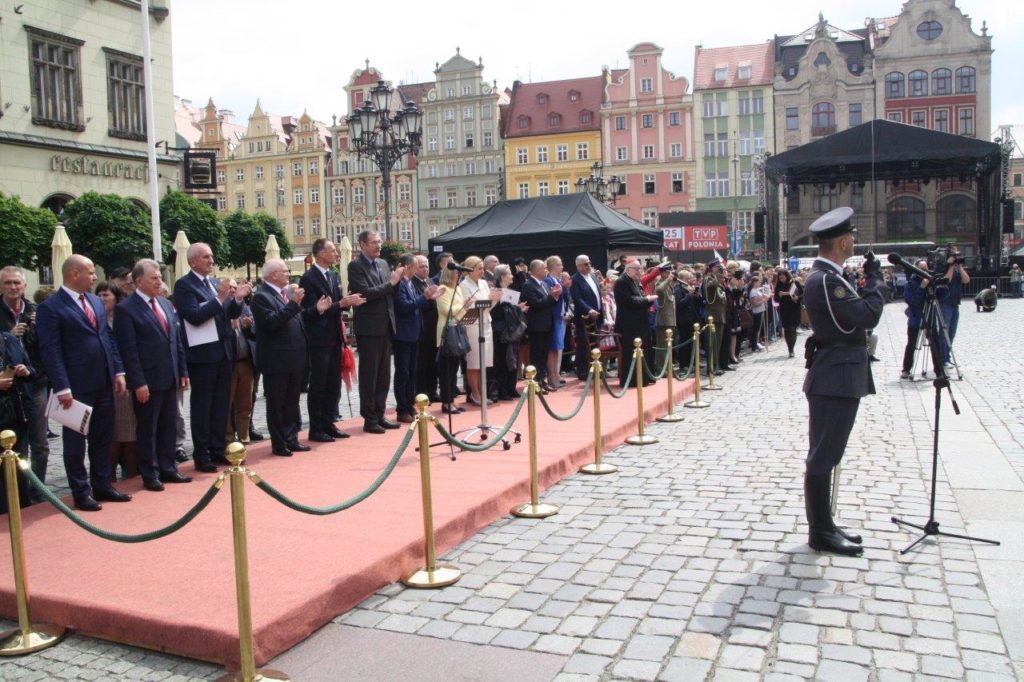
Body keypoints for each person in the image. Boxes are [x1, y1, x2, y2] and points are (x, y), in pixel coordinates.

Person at [802, 207, 885, 556]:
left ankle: (826, 524)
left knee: (828, 452)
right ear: (841, 241)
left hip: (837, 372)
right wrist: (875, 283)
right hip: (835, 375)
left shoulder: (828, 277)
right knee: (824, 455)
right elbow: (866, 316)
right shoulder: (827, 280)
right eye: (850, 235)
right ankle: (820, 531)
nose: (853, 240)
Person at [36, 255, 132, 511]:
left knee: (102, 437)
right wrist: (62, 387)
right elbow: (50, 350)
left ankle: (102, 484)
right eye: (90, 273)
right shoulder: (51, 307)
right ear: (74, 274)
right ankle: (80, 490)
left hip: (104, 381)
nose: (94, 278)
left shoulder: (94, 301)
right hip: (75, 386)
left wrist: (119, 371)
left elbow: (107, 337)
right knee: (75, 442)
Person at [113, 260, 191, 492]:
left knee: (169, 425)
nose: (160, 281)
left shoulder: (166, 304)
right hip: (147, 380)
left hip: (170, 376)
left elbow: (175, 341)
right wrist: (138, 382)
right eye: (154, 278)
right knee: (148, 429)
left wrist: (183, 371)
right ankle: (150, 472)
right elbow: (128, 350)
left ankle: (168, 468)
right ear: (139, 281)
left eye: (160, 277)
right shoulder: (126, 309)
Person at [173, 242, 250, 473]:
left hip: (224, 351)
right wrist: (219, 298)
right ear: (193, 261)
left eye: (212, 257)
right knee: (203, 406)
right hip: (203, 355)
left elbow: (229, 313)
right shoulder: (184, 285)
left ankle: (218, 448)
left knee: (221, 405)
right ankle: (202, 453)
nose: (211, 260)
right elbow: (194, 316)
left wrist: (237, 300)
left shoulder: (214, 284)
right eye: (206, 257)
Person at [253, 259, 329, 456]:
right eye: (285, 272)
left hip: (295, 358)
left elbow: (298, 318)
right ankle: (279, 443)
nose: (288, 274)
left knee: (292, 402)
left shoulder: (283, 295)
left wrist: (316, 310)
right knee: (277, 403)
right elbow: (271, 322)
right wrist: (294, 304)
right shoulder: (262, 297)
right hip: (276, 360)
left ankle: (291, 438)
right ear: (273, 275)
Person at [300, 238, 366, 441]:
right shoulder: (309, 278)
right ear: (320, 253)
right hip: (318, 338)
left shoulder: (332, 274)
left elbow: (336, 304)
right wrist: (341, 304)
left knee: (333, 384)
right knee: (319, 384)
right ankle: (316, 427)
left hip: (334, 336)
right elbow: (311, 312)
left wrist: (348, 302)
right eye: (332, 250)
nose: (336, 253)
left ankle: (329, 422)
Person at [0, 266, 50, 499]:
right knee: (16, 443)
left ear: (24, 286)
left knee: (40, 442)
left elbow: (46, 348)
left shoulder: (34, 311)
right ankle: (16, 492)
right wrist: (9, 335)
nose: (13, 287)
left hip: (35, 381)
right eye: (8, 283)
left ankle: (37, 489)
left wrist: (38, 329)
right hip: (8, 389)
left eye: (17, 283)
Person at [348, 230, 403, 434]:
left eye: (379, 242)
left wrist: (396, 283)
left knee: (383, 374)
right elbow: (365, 293)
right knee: (369, 374)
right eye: (374, 243)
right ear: (362, 244)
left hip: (386, 324)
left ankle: (380, 413)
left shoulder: (383, 264)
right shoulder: (355, 266)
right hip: (369, 327)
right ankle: (369, 417)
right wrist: (391, 283)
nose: (378, 246)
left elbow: (391, 293)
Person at [96, 280, 137, 482]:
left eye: (106, 295)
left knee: (127, 432)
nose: (102, 299)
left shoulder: (123, 316)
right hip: (104, 380)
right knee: (109, 434)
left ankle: (130, 475)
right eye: (100, 295)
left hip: (124, 380)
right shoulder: (95, 318)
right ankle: (108, 476)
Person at [393, 254, 442, 421]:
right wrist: (425, 297)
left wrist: (427, 298)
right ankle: (402, 408)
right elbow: (404, 306)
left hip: (414, 332)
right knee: (403, 372)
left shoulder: (409, 283)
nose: (416, 270)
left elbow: (415, 302)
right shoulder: (400, 284)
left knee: (412, 372)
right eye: (414, 266)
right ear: (406, 267)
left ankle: (409, 404)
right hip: (403, 334)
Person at [0, 327, 35, 514]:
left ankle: (23, 507)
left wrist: (25, 371)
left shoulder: (9, 339)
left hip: (15, 414)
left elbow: (32, 371)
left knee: (20, 465)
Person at [458, 256, 500, 405]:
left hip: (486, 323)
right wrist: (488, 300)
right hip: (473, 326)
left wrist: (494, 299)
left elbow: (487, 307)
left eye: (483, 268)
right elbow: (469, 306)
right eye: (479, 268)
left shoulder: (483, 283)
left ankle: (483, 393)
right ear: (470, 270)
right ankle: (474, 393)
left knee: (485, 361)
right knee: (474, 362)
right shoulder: (464, 285)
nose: (482, 271)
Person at [613, 260, 657, 388]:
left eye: (640, 268)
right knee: (631, 352)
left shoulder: (635, 281)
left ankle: (644, 377)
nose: (639, 271)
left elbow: (641, 296)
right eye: (636, 269)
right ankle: (632, 380)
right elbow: (629, 301)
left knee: (644, 349)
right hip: (628, 324)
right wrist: (647, 299)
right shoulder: (621, 282)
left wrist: (648, 299)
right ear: (628, 269)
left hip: (640, 322)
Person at [521, 260, 562, 393]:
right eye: (544, 268)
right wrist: (552, 296)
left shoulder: (544, 283)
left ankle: (542, 380)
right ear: (537, 270)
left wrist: (554, 297)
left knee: (544, 355)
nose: (546, 270)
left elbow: (548, 303)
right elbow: (536, 304)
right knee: (537, 355)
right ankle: (535, 382)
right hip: (536, 326)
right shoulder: (528, 285)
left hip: (547, 324)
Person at [491, 265, 528, 399]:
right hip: (501, 331)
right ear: (502, 276)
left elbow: (511, 309)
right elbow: (496, 312)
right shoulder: (496, 291)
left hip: (512, 330)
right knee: (502, 360)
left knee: (513, 358)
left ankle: (511, 387)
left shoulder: (510, 291)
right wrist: (515, 309)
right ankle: (502, 390)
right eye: (509, 274)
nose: (512, 276)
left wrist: (518, 308)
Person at [435, 266, 467, 414]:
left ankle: (451, 401)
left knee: (454, 369)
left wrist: (461, 308)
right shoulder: (443, 288)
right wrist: (462, 306)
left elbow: (460, 312)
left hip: (458, 328)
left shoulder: (458, 289)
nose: (458, 274)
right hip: (446, 332)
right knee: (446, 370)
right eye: (456, 272)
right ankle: (446, 402)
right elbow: (446, 310)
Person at [226, 300, 256, 444]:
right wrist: (230, 328)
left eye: (234, 287)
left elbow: (255, 332)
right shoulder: (222, 308)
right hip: (229, 364)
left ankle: (244, 438)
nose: (232, 290)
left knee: (245, 404)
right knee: (227, 404)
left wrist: (247, 327)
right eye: (230, 287)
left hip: (246, 362)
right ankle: (229, 440)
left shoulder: (244, 308)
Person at [412, 255, 441, 402]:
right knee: (421, 363)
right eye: (421, 266)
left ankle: (432, 390)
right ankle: (422, 393)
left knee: (432, 362)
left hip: (433, 328)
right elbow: (417, 302)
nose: (425, 269)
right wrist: (428, 298)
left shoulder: (430, 281)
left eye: (427, 266)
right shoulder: (413, 282)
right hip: (421, 328)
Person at [935, 247, 969, 369]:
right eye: (954, 254)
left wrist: (959, 266)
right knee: (944, 332)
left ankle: (947, 357)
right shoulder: (942, 266)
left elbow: (966, 280)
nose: (956, 256)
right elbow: (946, 281)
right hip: (945, 303)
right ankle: (942, 359)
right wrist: (950, 266)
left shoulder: (958, 267)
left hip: (955, 304)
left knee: (952, 333)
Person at [570, 255, 603, 380]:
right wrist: (589, 310)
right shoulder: (575, 279)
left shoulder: (593, 276)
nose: (589, 265)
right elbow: (577, 299)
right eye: (586, 264)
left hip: (597, 316)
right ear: (578, 266)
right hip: (584, 317)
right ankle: (582, 371)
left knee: (595, 344)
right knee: (583, 344)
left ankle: (595, 369)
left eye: (589, 263)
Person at [900, 260, 930, 380]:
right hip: (916, 319)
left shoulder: (930, 282)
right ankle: (906, 369)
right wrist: (922, 288)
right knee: (911, 344)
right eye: (921, 269)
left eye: (926, 269)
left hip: (929, 317)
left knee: (936, 343)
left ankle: (940, 369)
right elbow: (913, 302)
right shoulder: (911, 284)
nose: (924, 271)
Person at [703, 260, 727, 374]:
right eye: (717, 267)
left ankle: (715, 366)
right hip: (713, 316)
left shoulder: (717, 280)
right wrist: (718, 277)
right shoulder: (708, 279)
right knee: (712, 343)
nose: (719, 269)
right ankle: (711, 368)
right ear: (712, 268)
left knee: (717, 343)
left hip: (719, 316)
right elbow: (710, 287)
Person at [774, 269, 804, 359]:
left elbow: (803, 294)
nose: (781, 279)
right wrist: (779, 296)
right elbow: (776, 299)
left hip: (794, 309)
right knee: (787, 329)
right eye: (780, 278)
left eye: (783, 277)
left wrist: (797, 297)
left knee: (793, 328)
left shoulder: (795, 283)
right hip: (784, 310)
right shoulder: (778, 285)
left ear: (787, 276)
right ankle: (790, 349)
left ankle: (792, 348)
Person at [653, 263, 676, 375]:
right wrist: (668, 281)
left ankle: (667, 367)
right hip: (662, 320)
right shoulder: (659, 282)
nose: (669, 274)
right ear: (662, 272)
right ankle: (661, 368)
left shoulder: (669, 284)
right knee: (662, 345)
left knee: (668, 345)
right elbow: (659, 290)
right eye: (667, 272)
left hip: (669, 319)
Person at [747, 273, 768, 353]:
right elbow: (754, 303)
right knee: (756, 329)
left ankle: (756, 343)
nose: (760, 283)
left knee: (758, 329)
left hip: (761, 310)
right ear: (755, 282)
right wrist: (764, 300)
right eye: (758, 282)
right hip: (757, 312)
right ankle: (754, 345)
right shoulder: (753, 292)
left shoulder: (757, 290)